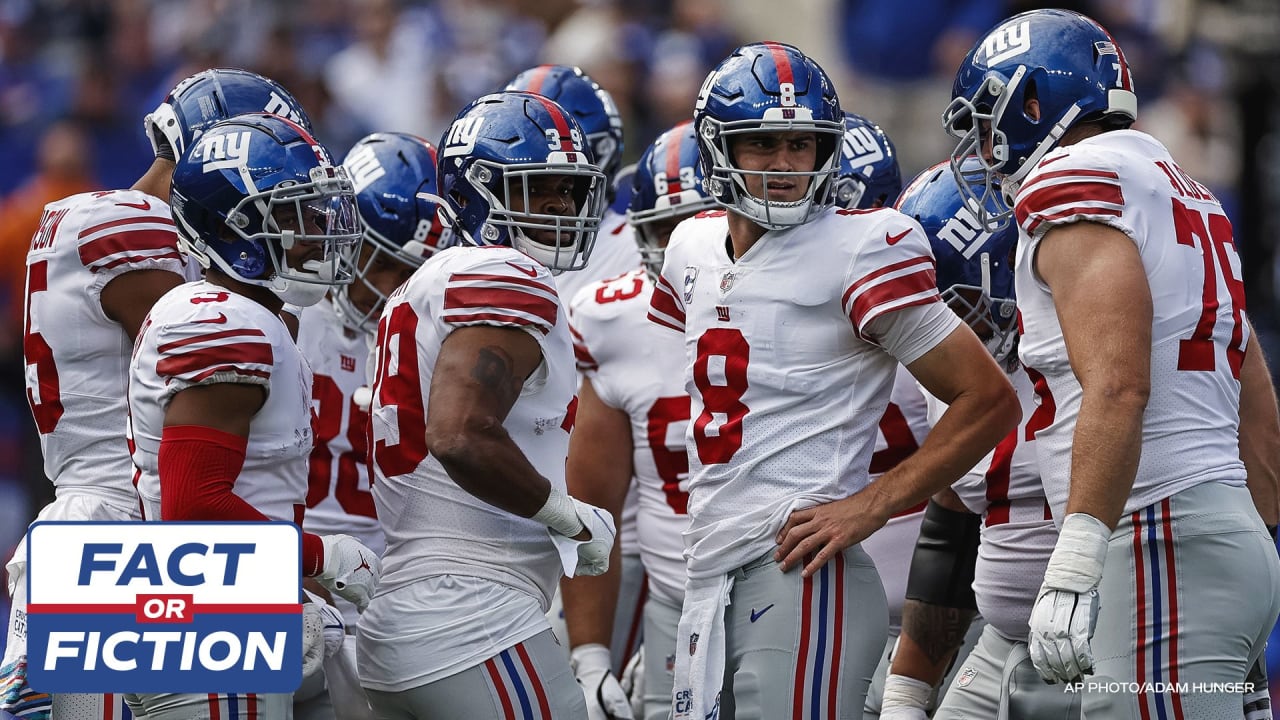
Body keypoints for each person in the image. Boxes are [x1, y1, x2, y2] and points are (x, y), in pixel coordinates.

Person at [646, 41, 1020, 719]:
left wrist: (872, 503)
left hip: (801, 571)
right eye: (764, 144)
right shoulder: (689, 247)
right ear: (717, 147)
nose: (787, 165)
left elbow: (988, 399)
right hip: (707, 573)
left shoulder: (863, 245)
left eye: (803, 144)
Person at [944, 9, 1280, 718]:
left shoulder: (1071, 178)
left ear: (1031, 103)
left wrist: (1073, 560)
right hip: (1220, 534)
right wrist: (1253, 536)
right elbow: (1250, 379)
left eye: (986, 120)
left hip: (1159, 534)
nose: (982, 147)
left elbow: (1120, 384)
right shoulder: (1175, 180)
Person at [0, 67, 314, 720]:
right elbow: (213, 347)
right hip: (123, 529)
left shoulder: (129, 226)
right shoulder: (132, 222)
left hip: (137, 527)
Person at [358, 90, 616, 719]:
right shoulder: (502, 275)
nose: (560, 204)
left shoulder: (427, 282)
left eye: (569, 188)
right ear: (481, 191)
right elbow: (461, 434)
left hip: (411, 610)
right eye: (539, 186)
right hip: (471, 617)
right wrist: (569, 516)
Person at [125, 112, 380, 720]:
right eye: (293, 213)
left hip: (219, 601)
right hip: (204, 612)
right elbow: (194, 505)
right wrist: (321, 559)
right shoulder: (226, 322)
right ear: (234, 227)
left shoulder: (242, 313)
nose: (317, 229)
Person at [878, 159, 1072, 720]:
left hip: (1102, 643)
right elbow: (952, 526)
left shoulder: (1091, 353)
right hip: (998, 650)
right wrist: (908, 693)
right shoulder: (956, 371)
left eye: (949, 305)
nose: (934, 329)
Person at [561, 120, 716, 720]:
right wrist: (592, 653)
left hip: (785, 592)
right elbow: (594, 501)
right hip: (672, 603)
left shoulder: (814, 296)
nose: (683, 251)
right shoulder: (613, 317)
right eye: (665, 229)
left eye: (700, 224)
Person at [504, 64, 641, 306]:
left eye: (564, 182)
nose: (553, 202)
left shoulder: (633, 250)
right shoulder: (475, 253)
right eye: (533, 185)